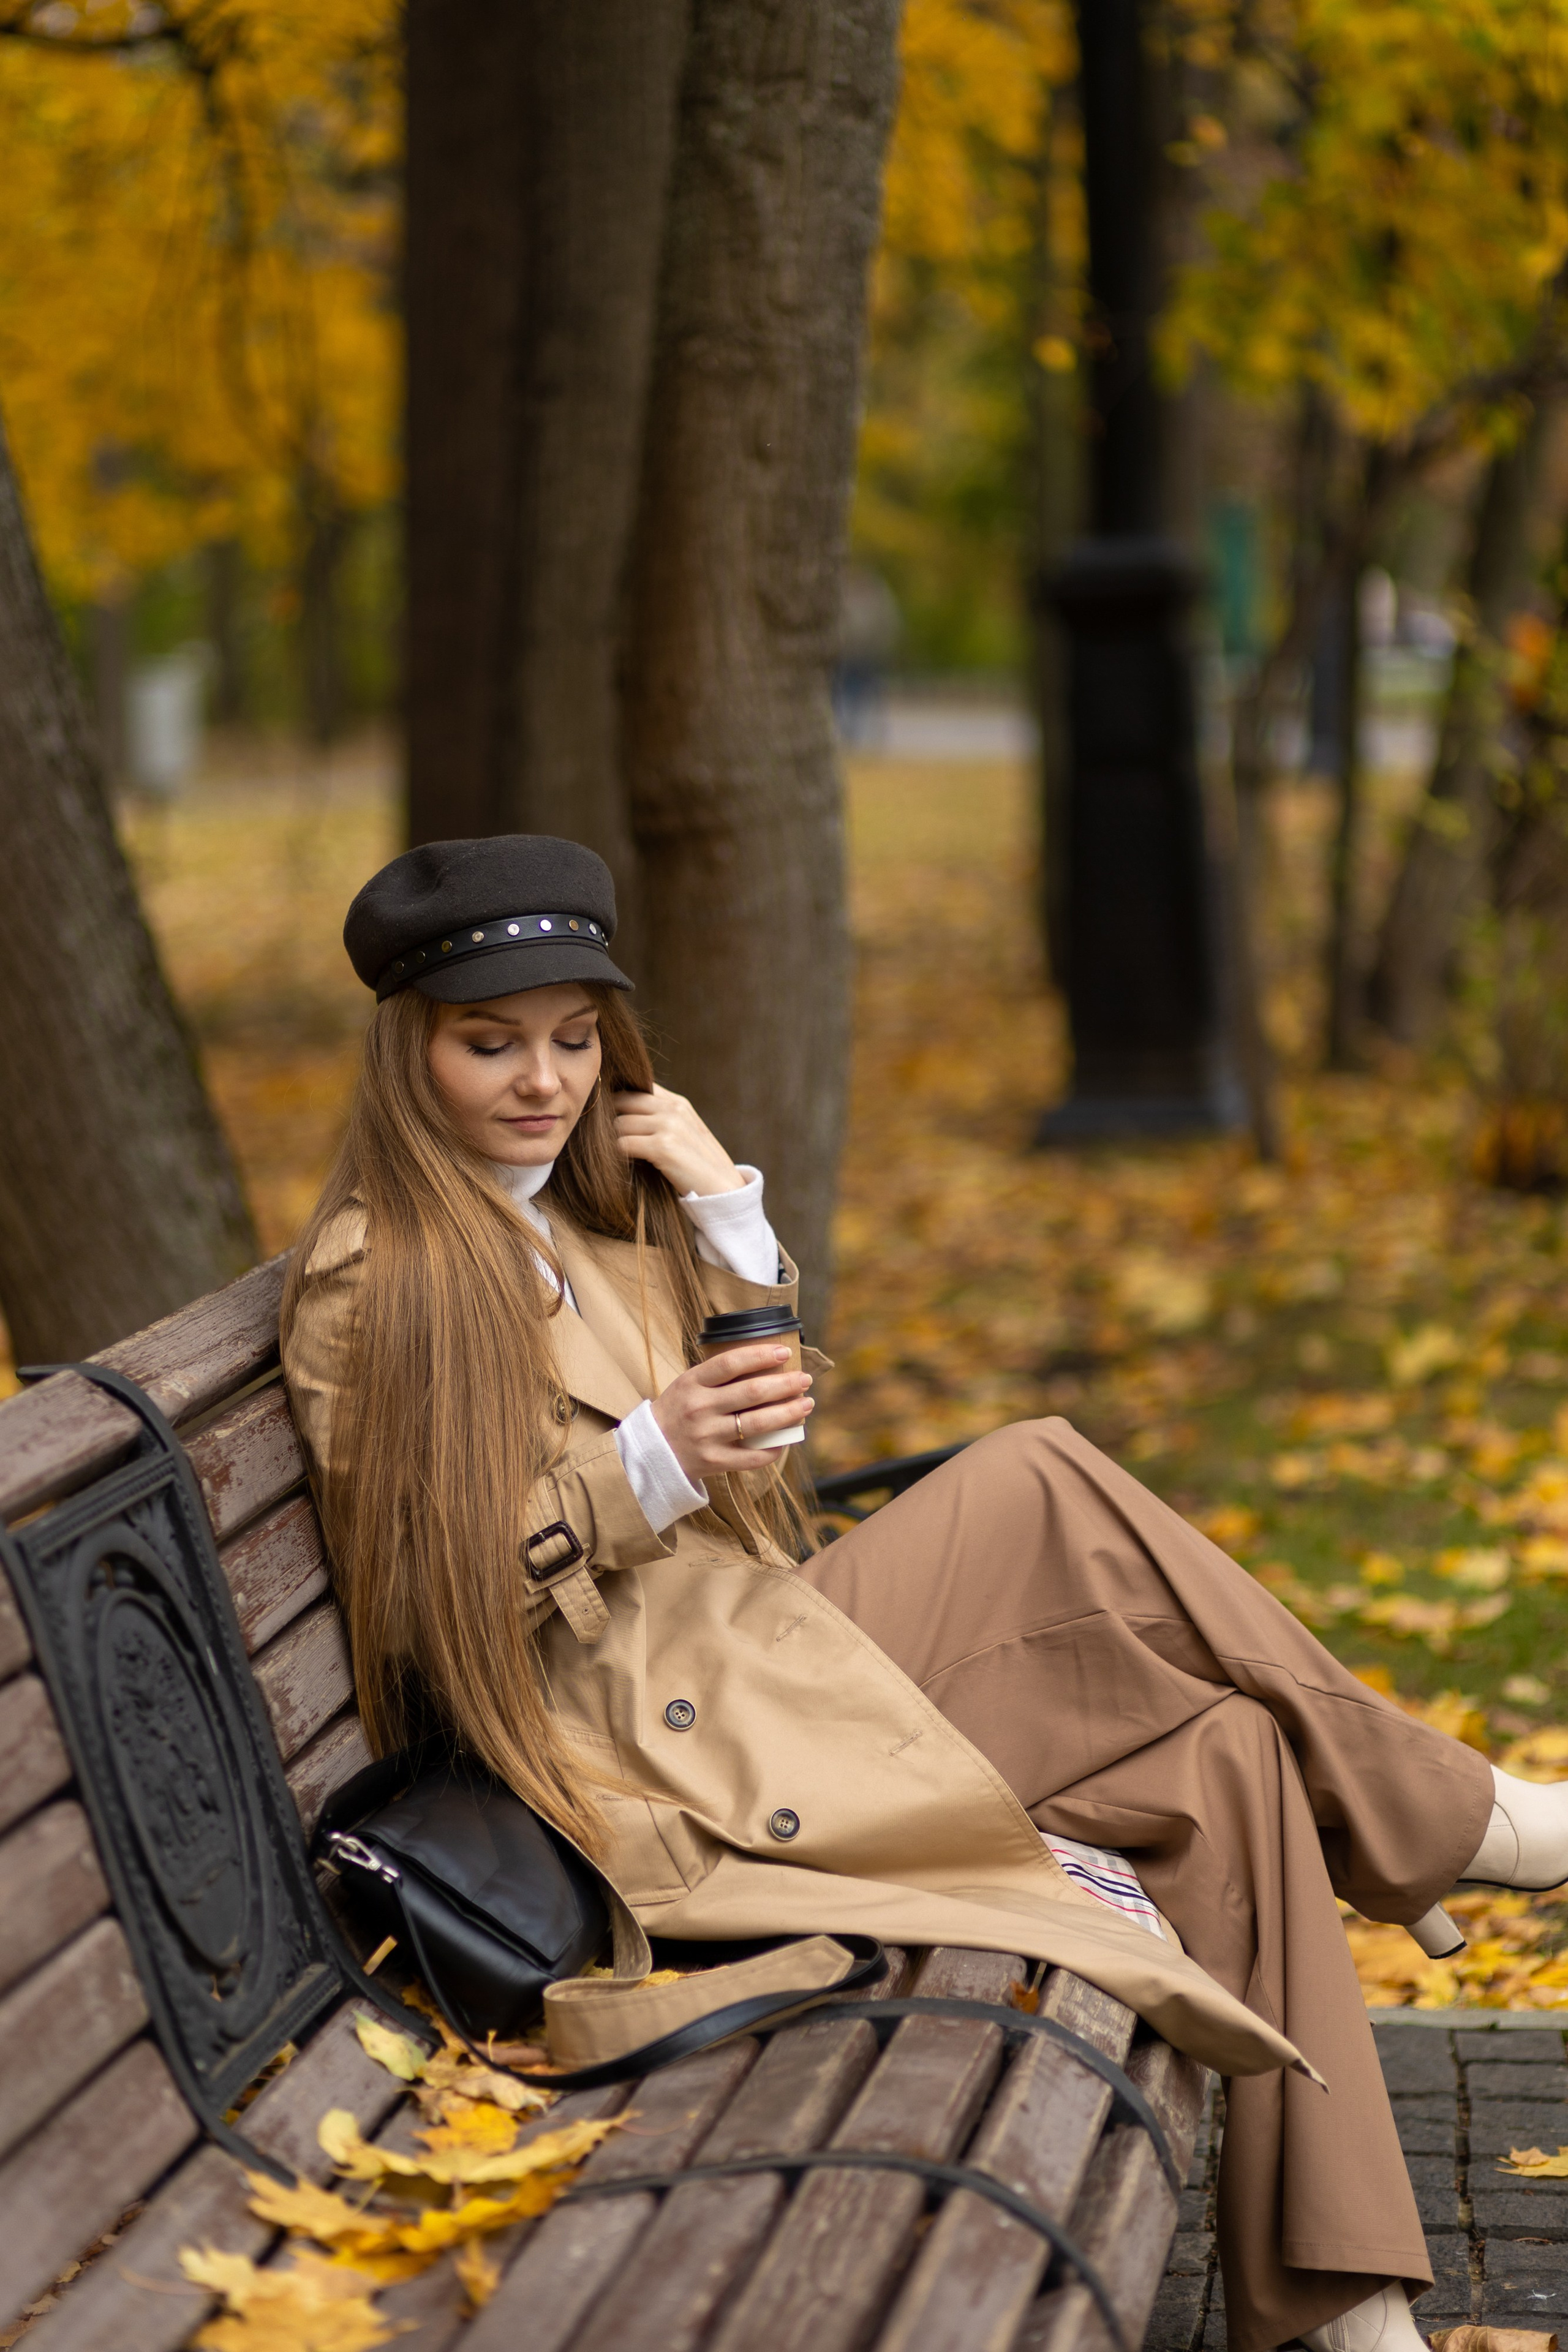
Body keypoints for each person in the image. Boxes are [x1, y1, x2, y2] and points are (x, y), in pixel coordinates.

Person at [282, 835, 1568, 2352]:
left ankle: (1341, 2314)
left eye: (573, 1041)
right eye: (489, 1042)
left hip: (753, 1670)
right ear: (406, 1049)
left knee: (1223, 1757)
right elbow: (431, 1603)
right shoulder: (377, 1277)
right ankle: (1457, 1821)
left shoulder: (588, 1235)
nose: (540, 1080)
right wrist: (640, 1471)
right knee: (1033, 1475)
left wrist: (728, 1230)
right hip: (649, 1760)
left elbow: (748, 1481)